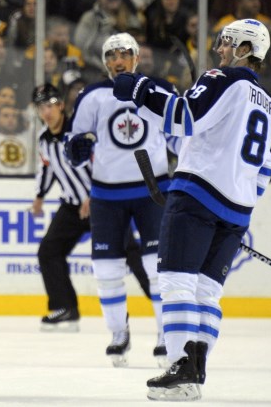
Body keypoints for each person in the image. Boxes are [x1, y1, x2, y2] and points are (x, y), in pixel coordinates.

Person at [113, 18, 271, 401]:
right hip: (237, 210)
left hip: (198, 196)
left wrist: (140, 88)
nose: (220, 49)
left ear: (244, 49)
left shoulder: (222, 78)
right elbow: (264, 169)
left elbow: (184, 116)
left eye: (227, 43)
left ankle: (179, 367)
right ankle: (195, 369)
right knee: (206, 292)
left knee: (177, 282)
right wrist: (236, 211)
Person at [65, 33, 177, 368]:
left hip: (153, 191)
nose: (118, 59)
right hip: (106, 195)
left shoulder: (160, 90)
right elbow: (75, 140)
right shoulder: (93, 95)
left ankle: (164, 335)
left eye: (125, 53)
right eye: (112, 54)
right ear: (105, 61)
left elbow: (179, 135)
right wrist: (77, 148)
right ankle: (118, 334)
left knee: (160, 270)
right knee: (106, 270)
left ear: (136, 57)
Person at [30, 83, 91, 332]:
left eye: (51, 105)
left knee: (129, 251)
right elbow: (47, 168)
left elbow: (103, 162)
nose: (47, 112)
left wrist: (94, 194)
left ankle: (161, 298)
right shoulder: (44, 139)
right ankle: (65, 307)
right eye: (42, 107)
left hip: (100, 204)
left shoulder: (78, 131)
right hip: (72, 207)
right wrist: (39, 196)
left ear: (62, 106)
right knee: (49, 252)